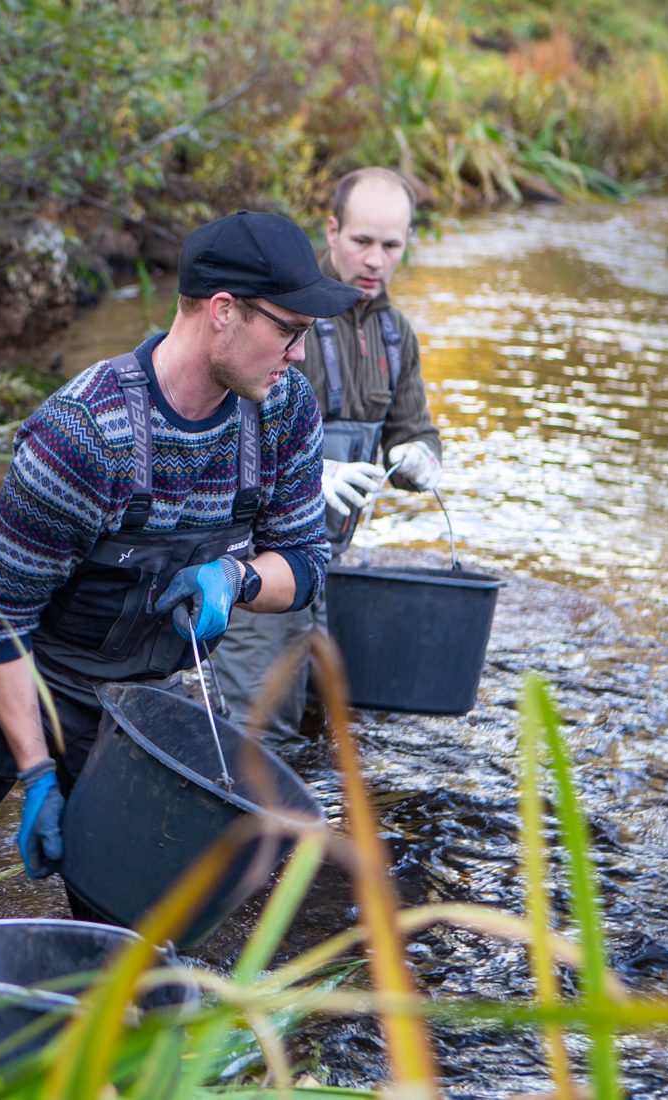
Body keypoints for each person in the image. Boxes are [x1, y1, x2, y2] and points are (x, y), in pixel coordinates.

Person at [0, 211, 360, 955]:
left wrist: (235, 577)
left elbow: (306, 561)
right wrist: (35, 777)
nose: (300, 350)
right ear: (224, 312)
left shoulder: (281, 411)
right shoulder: (83, 435)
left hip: (137, 700)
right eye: (288, 328)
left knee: (135, 932)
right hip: (18, 661)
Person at [212, 168, 443, 743]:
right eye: (363, 241)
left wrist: (421, 458)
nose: (375, 260)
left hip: (329, 563)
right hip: (256, 564)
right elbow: (224, 435)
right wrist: (309, 473)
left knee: (323, 727)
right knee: (256, 735)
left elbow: (413, 429)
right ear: (333, 231)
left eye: (391, 245)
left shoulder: (398, 336)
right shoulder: (285, 319)